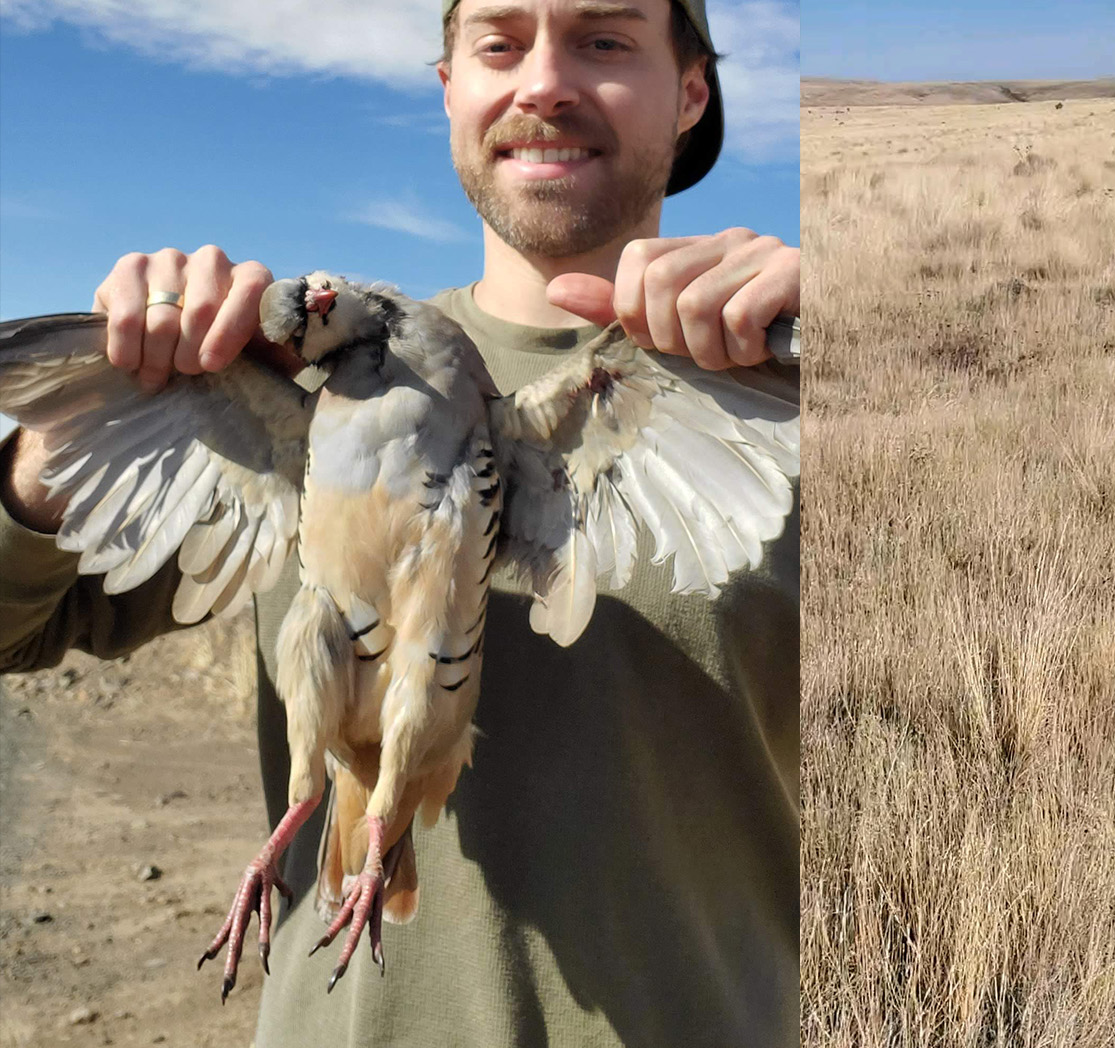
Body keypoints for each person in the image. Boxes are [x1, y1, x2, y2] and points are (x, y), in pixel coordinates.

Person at [0, 1, 798, 1044]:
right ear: (448, 87)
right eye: (500, 44)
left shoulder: (782, 394)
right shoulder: (283, 382)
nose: (542, 83)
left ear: (691, 90)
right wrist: (97, 412)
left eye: (604, 39)